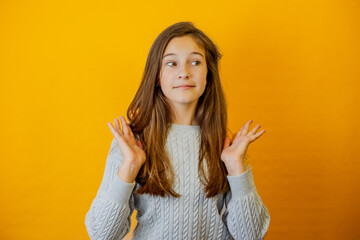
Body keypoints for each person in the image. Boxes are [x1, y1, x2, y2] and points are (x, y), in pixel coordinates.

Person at [85, 21, 270, 240]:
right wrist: (130, 165)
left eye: (195, 62)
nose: (184, 72)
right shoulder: (132, 144)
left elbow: (251, 236)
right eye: (171, 63)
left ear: (208, 75)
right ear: (157, 76)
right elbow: (101, 235)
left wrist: (237, 167)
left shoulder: (227, 145)